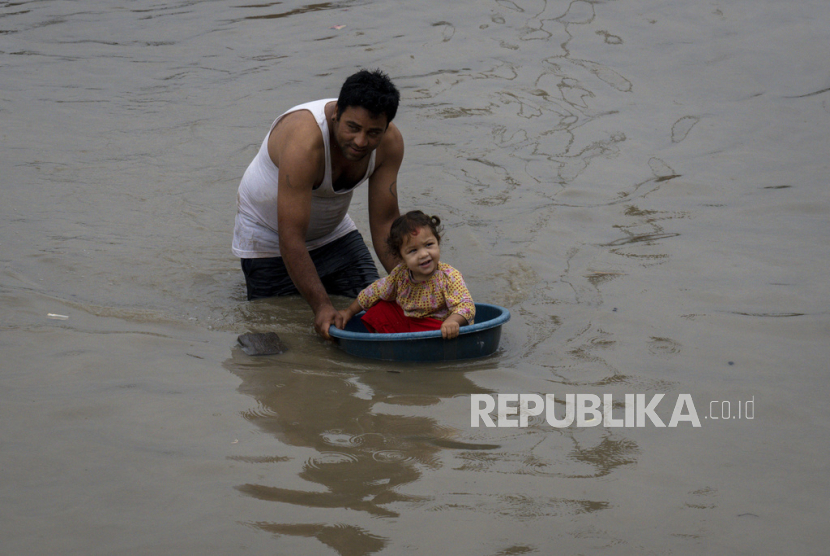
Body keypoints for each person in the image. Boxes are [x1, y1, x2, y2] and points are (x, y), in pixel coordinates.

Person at [232, 69, 403, 339]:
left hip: (334, 235)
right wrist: (322, 306)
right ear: (336, 114)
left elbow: (385, 223)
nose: (361, 141)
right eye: (353, 128)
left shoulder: (390, 143)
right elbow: (290, 237)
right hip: (269, 237)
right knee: (275, 342)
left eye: (373, 133)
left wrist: (416, 281)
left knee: (382, 312)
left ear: (387, 127)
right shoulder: (305, 142)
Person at [335, 211, 475, 340]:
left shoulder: (448, 276)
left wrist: (453, 321)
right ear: (401, 256)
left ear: (437, 241)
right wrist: (349, 311)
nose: (423, 254)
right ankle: (386, 344)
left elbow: (466, 305)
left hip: (438, 328)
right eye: (413, 250)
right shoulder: (400, 275)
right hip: (410, 324)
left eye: (429, 245)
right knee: (380, 308)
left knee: (450, 325)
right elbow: (373, 292)